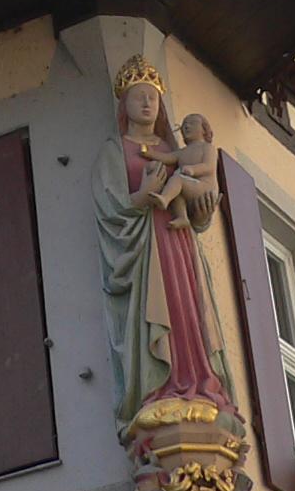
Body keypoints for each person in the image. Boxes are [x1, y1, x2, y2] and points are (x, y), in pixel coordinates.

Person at [94, 57, 234, 439]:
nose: (146, 103)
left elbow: (196, 202)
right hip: (145, 247)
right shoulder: (115, 150)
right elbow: (109, 204)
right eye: (138, 96)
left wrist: (203, 212)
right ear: (124, 105)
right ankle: (160, 387)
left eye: (153, 97)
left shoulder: (176, 149)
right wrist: (143, 194)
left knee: (188, 308)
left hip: (179, 242)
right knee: (157, 308)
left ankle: (198, 382)